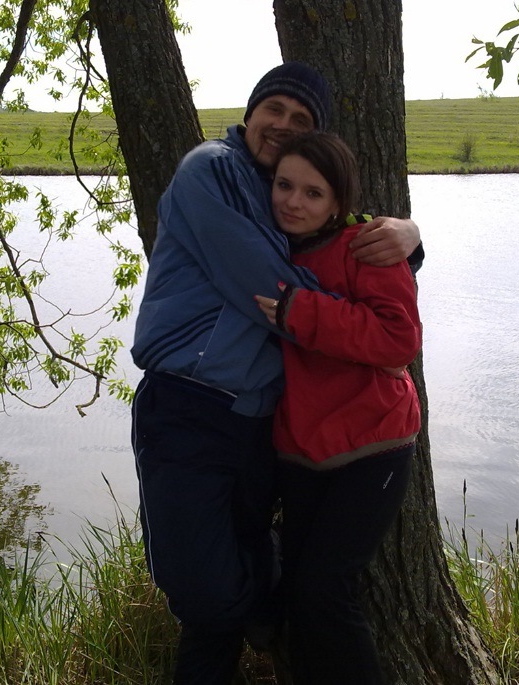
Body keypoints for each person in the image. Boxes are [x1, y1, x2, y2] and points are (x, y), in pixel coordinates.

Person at [130, 61, 422, 685]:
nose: (284, 125)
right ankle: (259, 609)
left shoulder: (277, 194)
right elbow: (268, 282)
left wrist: (405, 241)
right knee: (205, 592)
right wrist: (372, 312)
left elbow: (326, 235)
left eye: (302, 119)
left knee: (226, 605)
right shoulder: (211, 169)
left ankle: (258, 618)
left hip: (262, 420)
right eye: (275, 110)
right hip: (188, 405)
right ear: (250, 113)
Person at [255, 132, 422, 685]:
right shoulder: (267, 245)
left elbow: (399, 340)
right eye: (284, 185)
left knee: (325, 590)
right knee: (299, 596)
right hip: (303, 449)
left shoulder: (363, 245)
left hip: (372, 445)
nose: (293, 202)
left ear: (337, 202)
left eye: (313, 193)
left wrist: (304, 312)